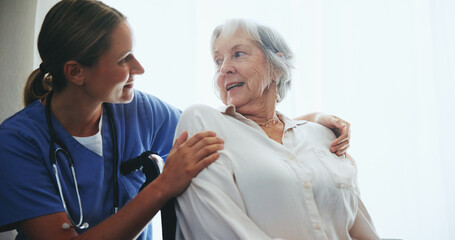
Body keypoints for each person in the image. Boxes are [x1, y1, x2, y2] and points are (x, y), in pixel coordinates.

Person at [0, 1, 351, 240]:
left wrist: (307, 123)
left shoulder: (139, 111)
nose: (139, 69)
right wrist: (163, 185)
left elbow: (232, 134)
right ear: (76, 72)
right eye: (124, 59)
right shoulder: (17, 143)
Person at [174, 19, 379, 239]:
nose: (224, 69)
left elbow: (360, 227)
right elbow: (218, 227)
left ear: (277, 67)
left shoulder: (323, 135)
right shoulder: (204, 122)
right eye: (218, 61)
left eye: (238, 54)